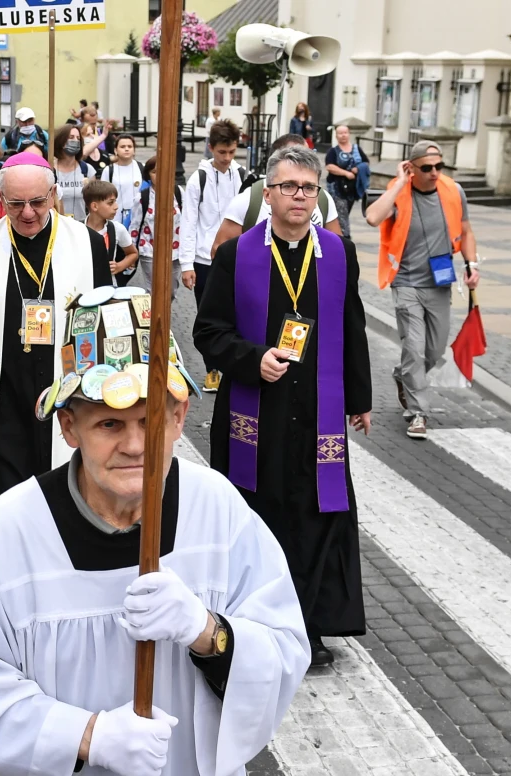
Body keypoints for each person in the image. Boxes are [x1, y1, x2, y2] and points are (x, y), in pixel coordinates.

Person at [0, 292, 308, 776]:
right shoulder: (10, 534)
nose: (135, 446)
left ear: (177, 418)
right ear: (69, 427)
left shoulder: (217, 510)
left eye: (150, 419)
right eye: (109, 423)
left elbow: (284, 648)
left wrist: (208, 632)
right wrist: (86, 736)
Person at [194, 145, 373, 668]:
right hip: (256, 413)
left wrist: (359, 398)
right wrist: (252, 359)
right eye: (289, 187)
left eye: (309, 188)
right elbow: (208, 332)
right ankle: (253, 624)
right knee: (257, 515)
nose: (300, 196)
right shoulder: (236, 255)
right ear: (267, 193)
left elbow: (352, 326)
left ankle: (310, 626)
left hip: (319, 410)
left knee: (318, 515)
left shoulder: (339, 254)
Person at [0, 152, 112, 511]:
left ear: (54, 195)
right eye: (16, 203)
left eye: (37, 202)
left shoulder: (88, 244)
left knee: (67, 500)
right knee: (5, 507)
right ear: (1, 200)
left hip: (69, 399)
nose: (27, 213)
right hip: (2, 401)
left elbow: (105, 328)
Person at [365, 140, 480, 441]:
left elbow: (466, 230)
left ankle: (404, 375)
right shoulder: (399, 192)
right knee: (414, 348)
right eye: (426, 168)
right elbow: (372, 217)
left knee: (435, 349)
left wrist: (472, 264)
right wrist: (400, 182)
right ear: (411, 168)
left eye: (439, 167)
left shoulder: (454, 191)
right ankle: (418, 413)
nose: (434, 173)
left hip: (439, 283)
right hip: (406, 282)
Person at [179, 119, 245, 392]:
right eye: (221, 153)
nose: (227, 158)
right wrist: (186, 263)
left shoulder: (241, 175)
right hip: (204, 260)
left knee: (235, 314)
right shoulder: (199, 178)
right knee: (207, 316)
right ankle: (212, 370)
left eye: (231, 152)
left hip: (235, 257)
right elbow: (189, 221)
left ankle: (232, 366)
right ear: (211, 149)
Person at [210, 134, 342, 255]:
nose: (300, 195)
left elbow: (337, 250)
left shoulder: (323, 198)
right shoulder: (247, 201)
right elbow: (220, 251)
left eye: (306, 156)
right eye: (294, 157)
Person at [134, 156, 188, 300]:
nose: (160, 175)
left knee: (170, 291)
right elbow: (135, 226)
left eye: (164, 171)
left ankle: (162, 320)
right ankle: (151, 321)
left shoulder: (178, 192)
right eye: (155, 172)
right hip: (149, 249)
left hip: (174, 250)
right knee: (154, 291)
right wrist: (131, 252)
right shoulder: (142, 197)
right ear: (148, 175)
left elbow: (187, 221)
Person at [82, 179, 138, 286]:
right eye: (110, 202)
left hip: (109, 287)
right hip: (82, 288)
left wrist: (119, 266)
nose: (116, 206)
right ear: (94, 206)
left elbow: (133, 253)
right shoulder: (77, 228)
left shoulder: (118, 229)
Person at [324, 125, 370, 238]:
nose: (343, 135)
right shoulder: (333, 151)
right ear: (336, 135)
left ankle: (336, 234)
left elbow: (366, 163)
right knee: (341, 213)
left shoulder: (357, 149)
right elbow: (330, 166)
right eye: (340, 133)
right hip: (337, 188)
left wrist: (359, 168)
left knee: (345, 213)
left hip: (352, 189)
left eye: (345, 132)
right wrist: (346, 173)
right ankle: (344, 238)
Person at [98, 134, 145, 234]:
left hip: (138, 219)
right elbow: (102, 196)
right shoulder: (109, 170)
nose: (126, 149)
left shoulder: (142, 168)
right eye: (122, 147)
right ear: (115, 150)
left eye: (130, 146)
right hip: (115, 219)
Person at [51, 124, 98, 221]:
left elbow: (95, 202)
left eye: (78, 138)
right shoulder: (50, 170)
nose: (75, 141)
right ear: (61, 141)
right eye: (71, 137)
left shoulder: (87, 170)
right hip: (57, 225)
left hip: (81, 225)